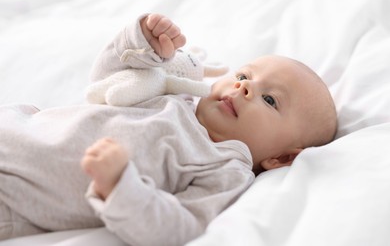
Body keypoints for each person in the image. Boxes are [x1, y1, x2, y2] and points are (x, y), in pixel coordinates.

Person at [0, 13, 337, 245]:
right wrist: (143, 43)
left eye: (270, 100)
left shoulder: (224, 167)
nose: (244, 89)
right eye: (244, 76)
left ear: (280, 158)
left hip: (18, 196)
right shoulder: (175, 93)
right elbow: (108, 82)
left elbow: (178, 228)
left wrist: (120, 186)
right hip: (16, 128)